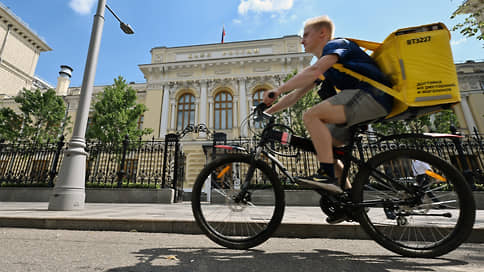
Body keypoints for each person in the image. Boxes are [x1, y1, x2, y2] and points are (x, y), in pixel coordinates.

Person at [263, 15, 394, 196]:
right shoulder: (328, 66)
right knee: (323, 146)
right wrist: (267, 112)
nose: (302, 41)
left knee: (310, 115)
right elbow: (295, 95)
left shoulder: (337, 45)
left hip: (373, 96)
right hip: (365, 101)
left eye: (306, 35)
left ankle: (327, 175)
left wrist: (277, 90)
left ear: (322, 34)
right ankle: (349, 199)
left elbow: (314, 70)